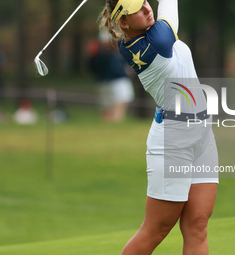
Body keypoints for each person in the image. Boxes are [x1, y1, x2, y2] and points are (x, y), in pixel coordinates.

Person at [99, 0, 219, 254]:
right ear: (123, 22)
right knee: (156, 230)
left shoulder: (152, 32)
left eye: (144, 1)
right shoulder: (152, 44)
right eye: (137, 10)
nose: (146, 8)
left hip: (202, 134)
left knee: (198, 225)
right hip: (172, 142)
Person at [87, 30, 135, 122]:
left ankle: (113, 126)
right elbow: (93, 68)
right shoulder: (101, 53)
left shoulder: (119, 51)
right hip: (111, 83)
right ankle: (111, 126)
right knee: (110, 109)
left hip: (113, 82)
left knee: (117, 106)